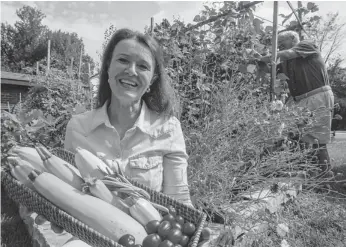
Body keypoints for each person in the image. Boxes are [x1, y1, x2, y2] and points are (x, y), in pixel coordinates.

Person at [34, 28, 210, 246]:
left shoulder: (168, 129)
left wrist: (190, 235)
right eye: (123, 60)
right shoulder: (78, 127)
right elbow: (70, 187)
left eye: (143, 66)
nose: (131, 71)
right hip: (90, 238)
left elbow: (179, 199)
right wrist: (55, 209)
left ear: (152, 79)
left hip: (151, 240)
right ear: (108, 67)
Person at [258, 30, 334, 176]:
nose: (279, 47)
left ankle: (325, 177)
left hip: (317, 95)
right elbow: (271, 70)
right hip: (299, 100)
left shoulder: (307, 45)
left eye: (281, 43)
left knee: (317, 139)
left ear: (293, 39)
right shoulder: (286, 61)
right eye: (277, 44)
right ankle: (306, 172)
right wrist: (258, 63)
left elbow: (286, 54)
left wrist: (264, 57)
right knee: (288, 133)